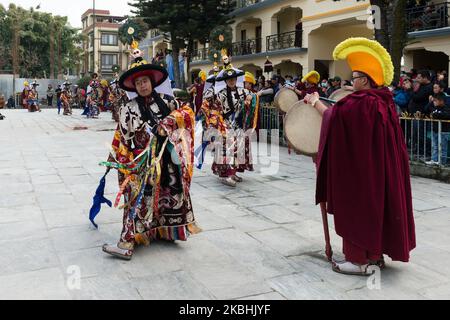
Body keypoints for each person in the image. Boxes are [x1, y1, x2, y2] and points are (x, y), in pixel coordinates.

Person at [305, 37, 416, 276]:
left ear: (364, 80)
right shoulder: (384, 101)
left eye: (354, 77)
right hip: (381, 169)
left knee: (358, 207)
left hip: (362, 171)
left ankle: (358, 261)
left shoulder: (361, 103)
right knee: (378, 207)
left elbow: (334, 118)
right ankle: (374, 256)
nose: (350, 81)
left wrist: (315, 103)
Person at [100, 41, 200, 260]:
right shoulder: (129, 108)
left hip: (167, 161)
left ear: (152, 82)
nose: (142, 85)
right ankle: (126, 243)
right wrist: (120, 157)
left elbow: (188, 114)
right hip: (142, 161)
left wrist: (170, 121)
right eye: (138, 83)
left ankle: (165, 231)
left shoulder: (167, 101)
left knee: (170, 194)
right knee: (136, 199)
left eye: (145, 81)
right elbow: (122, 135)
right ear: (134, 86)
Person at [212, 66, 257, 187]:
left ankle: (234, 171)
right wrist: (220, 124)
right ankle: (226, 174)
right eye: (229, 79)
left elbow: (253, 98)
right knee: (228, 149)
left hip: (239, 124)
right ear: (225, 81)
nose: (232, 81)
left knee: (239, 149)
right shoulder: (220, 94)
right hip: (226, 125)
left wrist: (250, 98)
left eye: (234, 79)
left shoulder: (243, 91)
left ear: (236, 80)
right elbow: (216, 110)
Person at [425, 92, 450, 166]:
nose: (434, 102)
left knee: (443, 147)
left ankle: (442, 162)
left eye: (435, 100)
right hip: (435, 130)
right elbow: (426, 110)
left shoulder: (446, 108)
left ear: (441, 101)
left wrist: (436, 115)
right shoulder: (434, 108)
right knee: (435, 146)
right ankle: (434, 160)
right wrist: (430, 102)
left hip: (443, 131)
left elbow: (446, 115)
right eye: (433, 100)